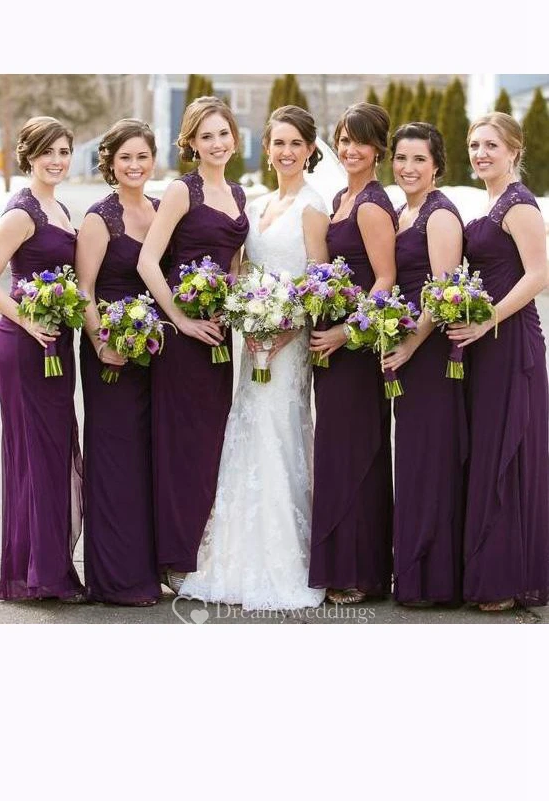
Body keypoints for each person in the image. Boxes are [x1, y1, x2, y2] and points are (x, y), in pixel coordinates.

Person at [180, 105, 329, 610]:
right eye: (278, 143)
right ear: (265, 148)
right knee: (245, 433)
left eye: (295, 144)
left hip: (286, 348)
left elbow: (319, 283)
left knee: (278, 434)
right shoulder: (259, 203)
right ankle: (234, 557)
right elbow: (242, 270)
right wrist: (246, 314)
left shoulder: (312, 207)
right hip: (253, 342)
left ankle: (283, 560)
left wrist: (287, 328)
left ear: (310, 150)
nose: (286, 152)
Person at [138, 97, 248, 593]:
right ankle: (173, 556)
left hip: (218, 338)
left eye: (223, 133)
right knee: (182, 446)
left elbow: (233, 264)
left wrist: (238, 301)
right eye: (206, 136)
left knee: (211, 444)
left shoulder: (239, 193)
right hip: (183, 342)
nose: (217, 143)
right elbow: (147, 262)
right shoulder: (183, 190)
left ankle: (201, 549)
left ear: (234, 138)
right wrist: (180, 320)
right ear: (191, 143)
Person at [448, 112, 549, 611]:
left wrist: (489, 318)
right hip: (484, 341)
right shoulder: (488, 201)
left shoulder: (519, 203)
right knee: (488, 446)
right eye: (474, 145)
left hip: (511, 341)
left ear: (514, 150)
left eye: (491, 145)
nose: (480, 154)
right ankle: (490, 568)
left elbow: (539, 274)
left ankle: (508, 578)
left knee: (509, 448)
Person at [309, 103, 397, 605]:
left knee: (356, 451)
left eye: (360, 141)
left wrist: (345, 331)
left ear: (378, 148)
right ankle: (344, 565)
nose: (349, 149)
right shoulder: (343, 197)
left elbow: (385, 278)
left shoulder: (371, 205)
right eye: (343, 139)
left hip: (357, 348)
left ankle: (359, 572)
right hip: (333, 348)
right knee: (336, 450)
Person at [76, 119, 163, 606]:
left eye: (142, 157)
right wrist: (100, 341)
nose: (134, 165)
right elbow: (84, 290)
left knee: (148, 457)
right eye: (125, 157)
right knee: (115, 458)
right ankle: (115, 578)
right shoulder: (99, 218)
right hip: (109, 354)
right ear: (110, 162)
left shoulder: (159, 210)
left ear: (153, 160)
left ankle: (147, 567)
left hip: (153, 355)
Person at [0, 116, 84, 602]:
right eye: (48, 152)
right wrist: (28, 321)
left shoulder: (60, 207)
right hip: (24, 344)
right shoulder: (22, 211)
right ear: (29, 156)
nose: (56, 160)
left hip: (57, 344)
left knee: (53, 451)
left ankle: (49, 567)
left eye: (64, 152)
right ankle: (36, 573)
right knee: (34, 453)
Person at [383, 122, 467, 606]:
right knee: (413, 458)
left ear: (436, 165)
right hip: (408, 351)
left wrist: (411, 345)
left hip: (432, 354)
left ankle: (434, 580)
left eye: (419, 159)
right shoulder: (402, 212)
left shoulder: (439, 215)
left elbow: (442, 290)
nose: (408, 167)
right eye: (401, 158)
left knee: (431, 458)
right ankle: (413, 572)